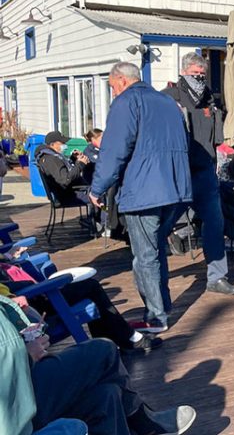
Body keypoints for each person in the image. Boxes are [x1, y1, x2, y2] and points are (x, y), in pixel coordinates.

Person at [90, 62, 192, 333]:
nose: (113, 93)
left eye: (112, 87)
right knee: (156, 249)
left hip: (145, 190)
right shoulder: (169, 103)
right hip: (175, 189)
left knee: (144, 256)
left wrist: (97, 188)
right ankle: (162, 307)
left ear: (122, 81)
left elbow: (114, 150)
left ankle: (156, 317)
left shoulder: (126, 103)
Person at [0, 296, 196, 435]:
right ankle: (142, 421)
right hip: (12, 407)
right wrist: (27, 353)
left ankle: (141, 423)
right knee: (103, 351)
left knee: (105, 396)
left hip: (18, 387)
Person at [162, 53, 234, 297]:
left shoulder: (209, 98)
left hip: (206, 171)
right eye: (195, 72)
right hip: (177, 173)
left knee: (215, 224)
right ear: (184, 71)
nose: (199, 76)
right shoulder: (168, 97)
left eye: (202, 73)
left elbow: (215, 137)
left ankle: (217, 277)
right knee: (161, 226)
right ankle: (155, 281)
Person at [1, 267, 161, 354]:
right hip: (24, 306)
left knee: (88, 287)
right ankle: (124, 339)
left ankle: (111, 342)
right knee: (90, 286)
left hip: (19, 294)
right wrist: (9, 296)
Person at [35, 131, 91, 207]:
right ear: (52, 145)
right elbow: (66, 180)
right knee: (99, 196)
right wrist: (81, 164)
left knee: (96, 191)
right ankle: (101, 218)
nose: (65, 145)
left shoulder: (51, 156)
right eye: (62, 143)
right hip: (68, 195)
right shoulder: (51, 160)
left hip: (68, 192)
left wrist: (73, 159)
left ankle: (95, 216)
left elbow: (64, 170)